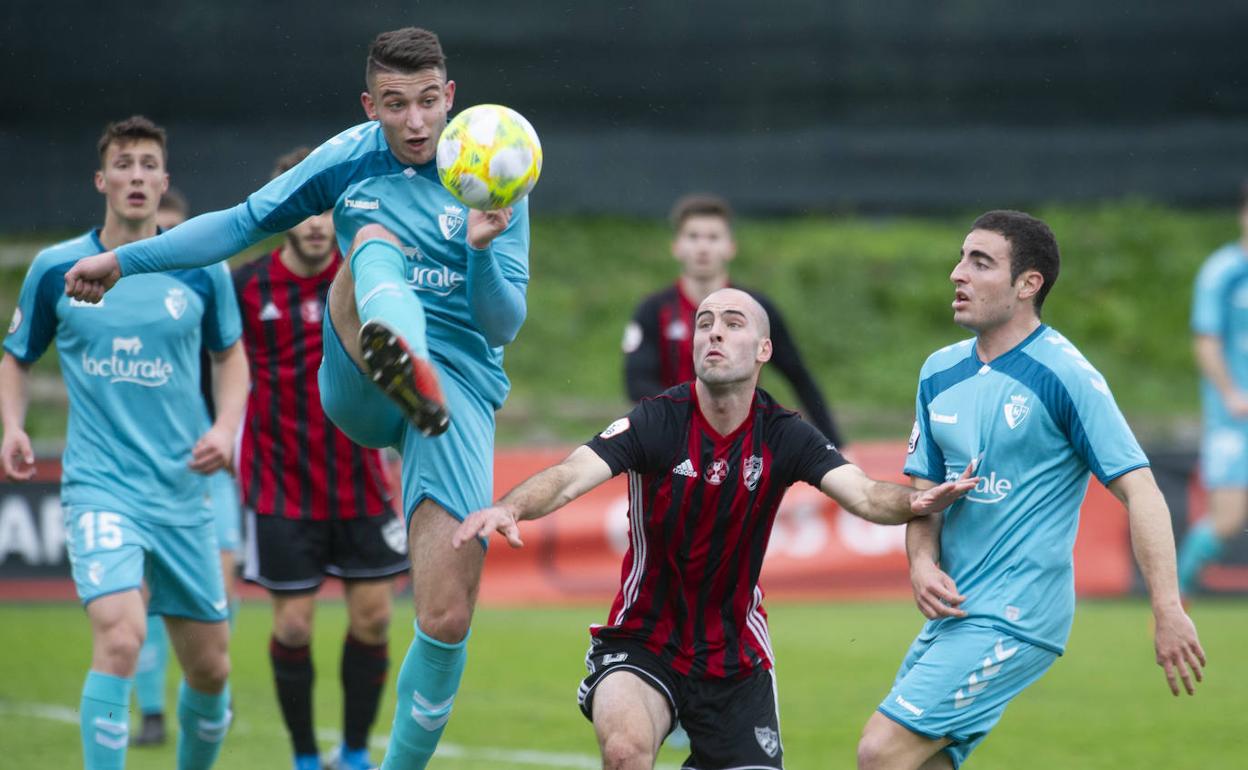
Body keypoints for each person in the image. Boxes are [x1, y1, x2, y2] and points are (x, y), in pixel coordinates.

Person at [64, 27, 529, 770]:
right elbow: (241, 225)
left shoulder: (496, 165)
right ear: (369, 104)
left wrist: (479, 250)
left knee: (445, 617)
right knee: (369, 241)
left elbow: (504, 321)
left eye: (426, 103)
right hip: (360, 370)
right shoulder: (349, 160)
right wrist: (127, 257)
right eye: (394, 105)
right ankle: (402, 351)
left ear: (450, 97)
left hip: (457, 393)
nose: (413, 123)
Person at [452, 287, 977, 770]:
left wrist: (917, 500)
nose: (714, 332)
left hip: (735, 655)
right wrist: (510, 507)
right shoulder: (658, 420)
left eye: (732, 322)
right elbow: (569, 476)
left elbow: (863, 494)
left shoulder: (784, 433)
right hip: (643, 639)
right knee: (626, 751)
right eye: (704, 323)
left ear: (764, 350)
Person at [855, 210, 1206, 770]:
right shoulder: (938, 372)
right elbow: (924, 497)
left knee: (880, 752)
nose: (957, 273)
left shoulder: (1066, 374)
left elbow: (1142, 492)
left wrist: (1167, 607)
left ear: (1027, 284)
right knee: (922, 762)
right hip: (955, 611)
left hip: (1019, 612)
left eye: (980, 262)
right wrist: (921, 563)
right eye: (961, 257)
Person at [0, 116, 248, 769]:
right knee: (121, 637)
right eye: (124, 163)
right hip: (102, 490)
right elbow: (16, 356)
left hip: (183, 495)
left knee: (212, 670)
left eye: (148, 165)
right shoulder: (58, 268)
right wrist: (13, 426)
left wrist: (226, 429)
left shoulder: (201, 269)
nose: (136, 176)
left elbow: (231, 356)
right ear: (101, 179)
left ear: (164, 181)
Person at [234, 147, 410, 770]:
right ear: (285, 211)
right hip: (280, 483)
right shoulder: (246, 286)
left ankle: (357, 754)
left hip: (360, 481)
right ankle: (307, 758)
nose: (315, 222)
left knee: (372, 621)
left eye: (326, 207)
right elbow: (219, 367)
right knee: (293, 629)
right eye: (304, 207)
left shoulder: (370, 276)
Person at [131, 186, 246, 748]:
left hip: (213, 458)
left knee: (220, 588)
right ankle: (152, 711)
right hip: (149, 466)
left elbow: (236, 365)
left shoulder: (210, 288)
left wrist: (230, 435)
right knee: (149, 594)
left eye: (178, 236)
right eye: (160, 237)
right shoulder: (129, 299)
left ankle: (211, 690)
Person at [622, 193, 845, 446]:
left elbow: (799, 376)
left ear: (730, 247)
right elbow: (636, 384)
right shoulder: (653, 310)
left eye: (713, 237)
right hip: (671, 439)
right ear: (677, 246)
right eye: (693, 236)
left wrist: (838, 445)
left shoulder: (758, 310)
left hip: (739, 444)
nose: (703, 247)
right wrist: (690, 416)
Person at [1179, 184, 1248, 595]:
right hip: (1233, 418)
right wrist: (1231, 395)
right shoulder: (1223, 270)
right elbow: (1206, 341)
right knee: (1226, 519)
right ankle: (1175, 595)